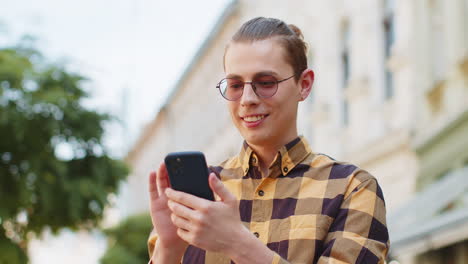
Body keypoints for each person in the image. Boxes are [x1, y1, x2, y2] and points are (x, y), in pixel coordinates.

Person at [147, 17, 389, 264]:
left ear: (304, 85)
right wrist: (168, 247)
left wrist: (236, 242)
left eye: (266, 83)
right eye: (235, 85)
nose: (247, 99)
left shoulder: (352, 188)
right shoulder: (197, 198)